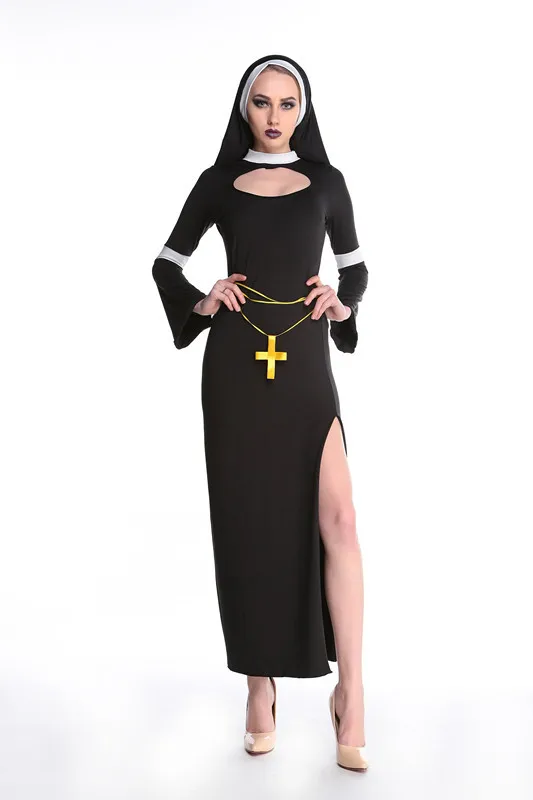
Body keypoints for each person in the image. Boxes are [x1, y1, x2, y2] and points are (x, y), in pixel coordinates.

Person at [152, 54, 369, 771]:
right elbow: (165, 262)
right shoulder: (217, 182)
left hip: (304, 364)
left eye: (287, 103)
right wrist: (203, 299)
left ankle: (351, 693)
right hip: (237, 371)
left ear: (303, 110)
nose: (274, 116)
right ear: (244, 107)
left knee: (340, 518)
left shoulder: (327, 182)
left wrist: (342, 302)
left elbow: (356, 268)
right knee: (249, 524)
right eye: (262, 102)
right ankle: (258, 687)